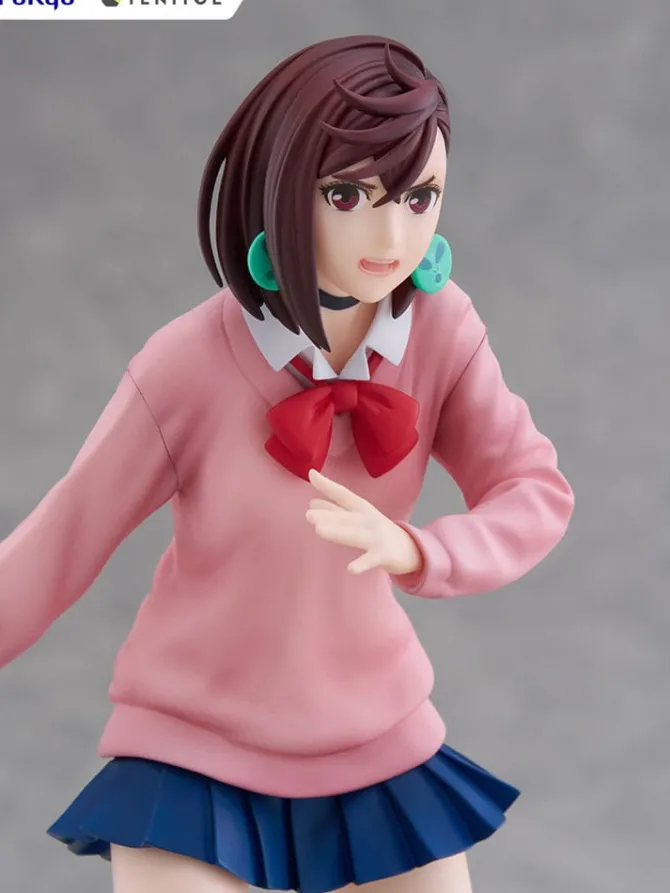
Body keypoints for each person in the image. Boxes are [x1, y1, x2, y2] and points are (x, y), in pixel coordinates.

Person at [0, 35, 574, 893]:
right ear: (280, 186)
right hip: (192, 745)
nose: (392, 235)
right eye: (348, 195)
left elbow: (533, 487)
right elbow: (63, 538)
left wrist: (424, 550)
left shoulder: (443, 328)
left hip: (375, 731)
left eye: (420, 197)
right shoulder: (188, 362)